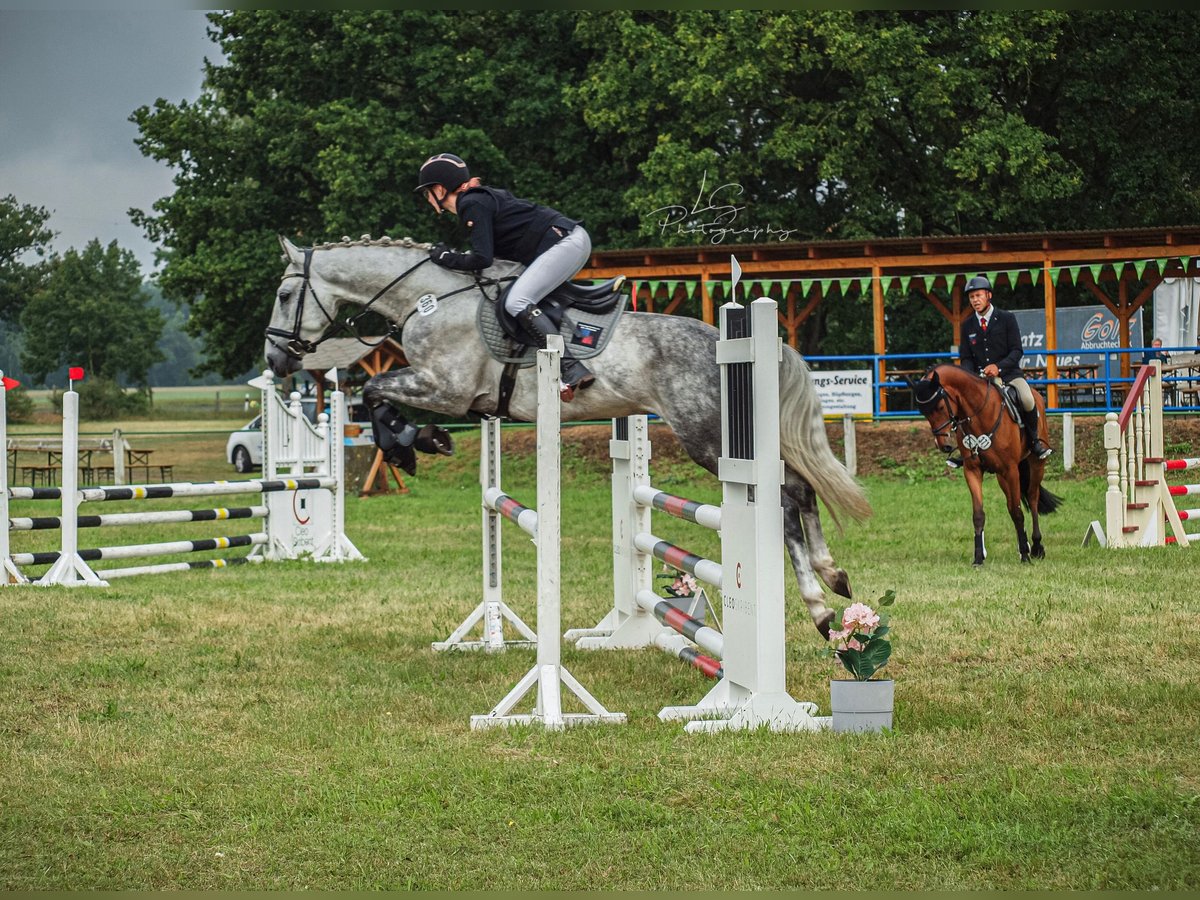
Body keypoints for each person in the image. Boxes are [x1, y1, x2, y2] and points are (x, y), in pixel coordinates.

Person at [414, 152, 596, 401]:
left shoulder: (471, 203)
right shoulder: (476, 201)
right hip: (564, 242)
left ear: (439, 189)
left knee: (516, 302)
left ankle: (570, 365)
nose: (428, 199)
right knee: (519, 295)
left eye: (427, 193)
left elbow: (482, 260)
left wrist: (445, 258)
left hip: (565, 242)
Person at [948, 275, 1053, 467]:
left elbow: (1016, 350)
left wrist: (999, 367)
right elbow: (966, 358)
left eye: (978, 295)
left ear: (988, 295)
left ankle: (1034, 441)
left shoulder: (1006, 318)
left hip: (1010, 374)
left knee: (1028, 399)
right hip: (980, 379)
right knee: (962, 405)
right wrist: (969, 378)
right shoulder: (967, 325)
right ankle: (966, 449)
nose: (975, 300)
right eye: (971, 297)